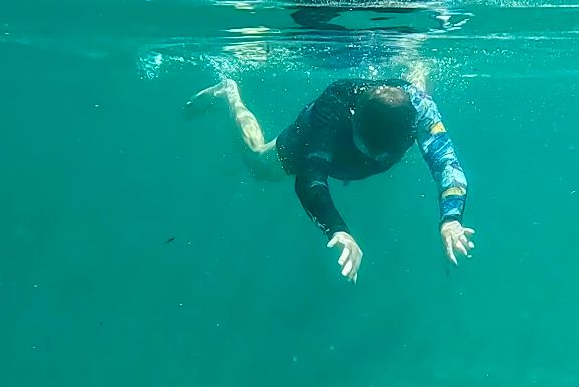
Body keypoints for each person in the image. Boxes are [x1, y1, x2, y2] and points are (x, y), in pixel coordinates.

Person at [189, 77, 475, 282]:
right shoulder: (332, 111)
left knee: (416, 86)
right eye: (369, 152)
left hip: (390, 114)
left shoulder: (419, 107)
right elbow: (309, 178)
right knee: (257, 163)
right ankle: (228, 94)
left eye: (382, 155)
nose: (374, 161)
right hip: (309, 137)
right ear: (355, 124)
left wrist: (451, 219)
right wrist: (337, 230)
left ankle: (417, 67)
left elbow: (446, 161)